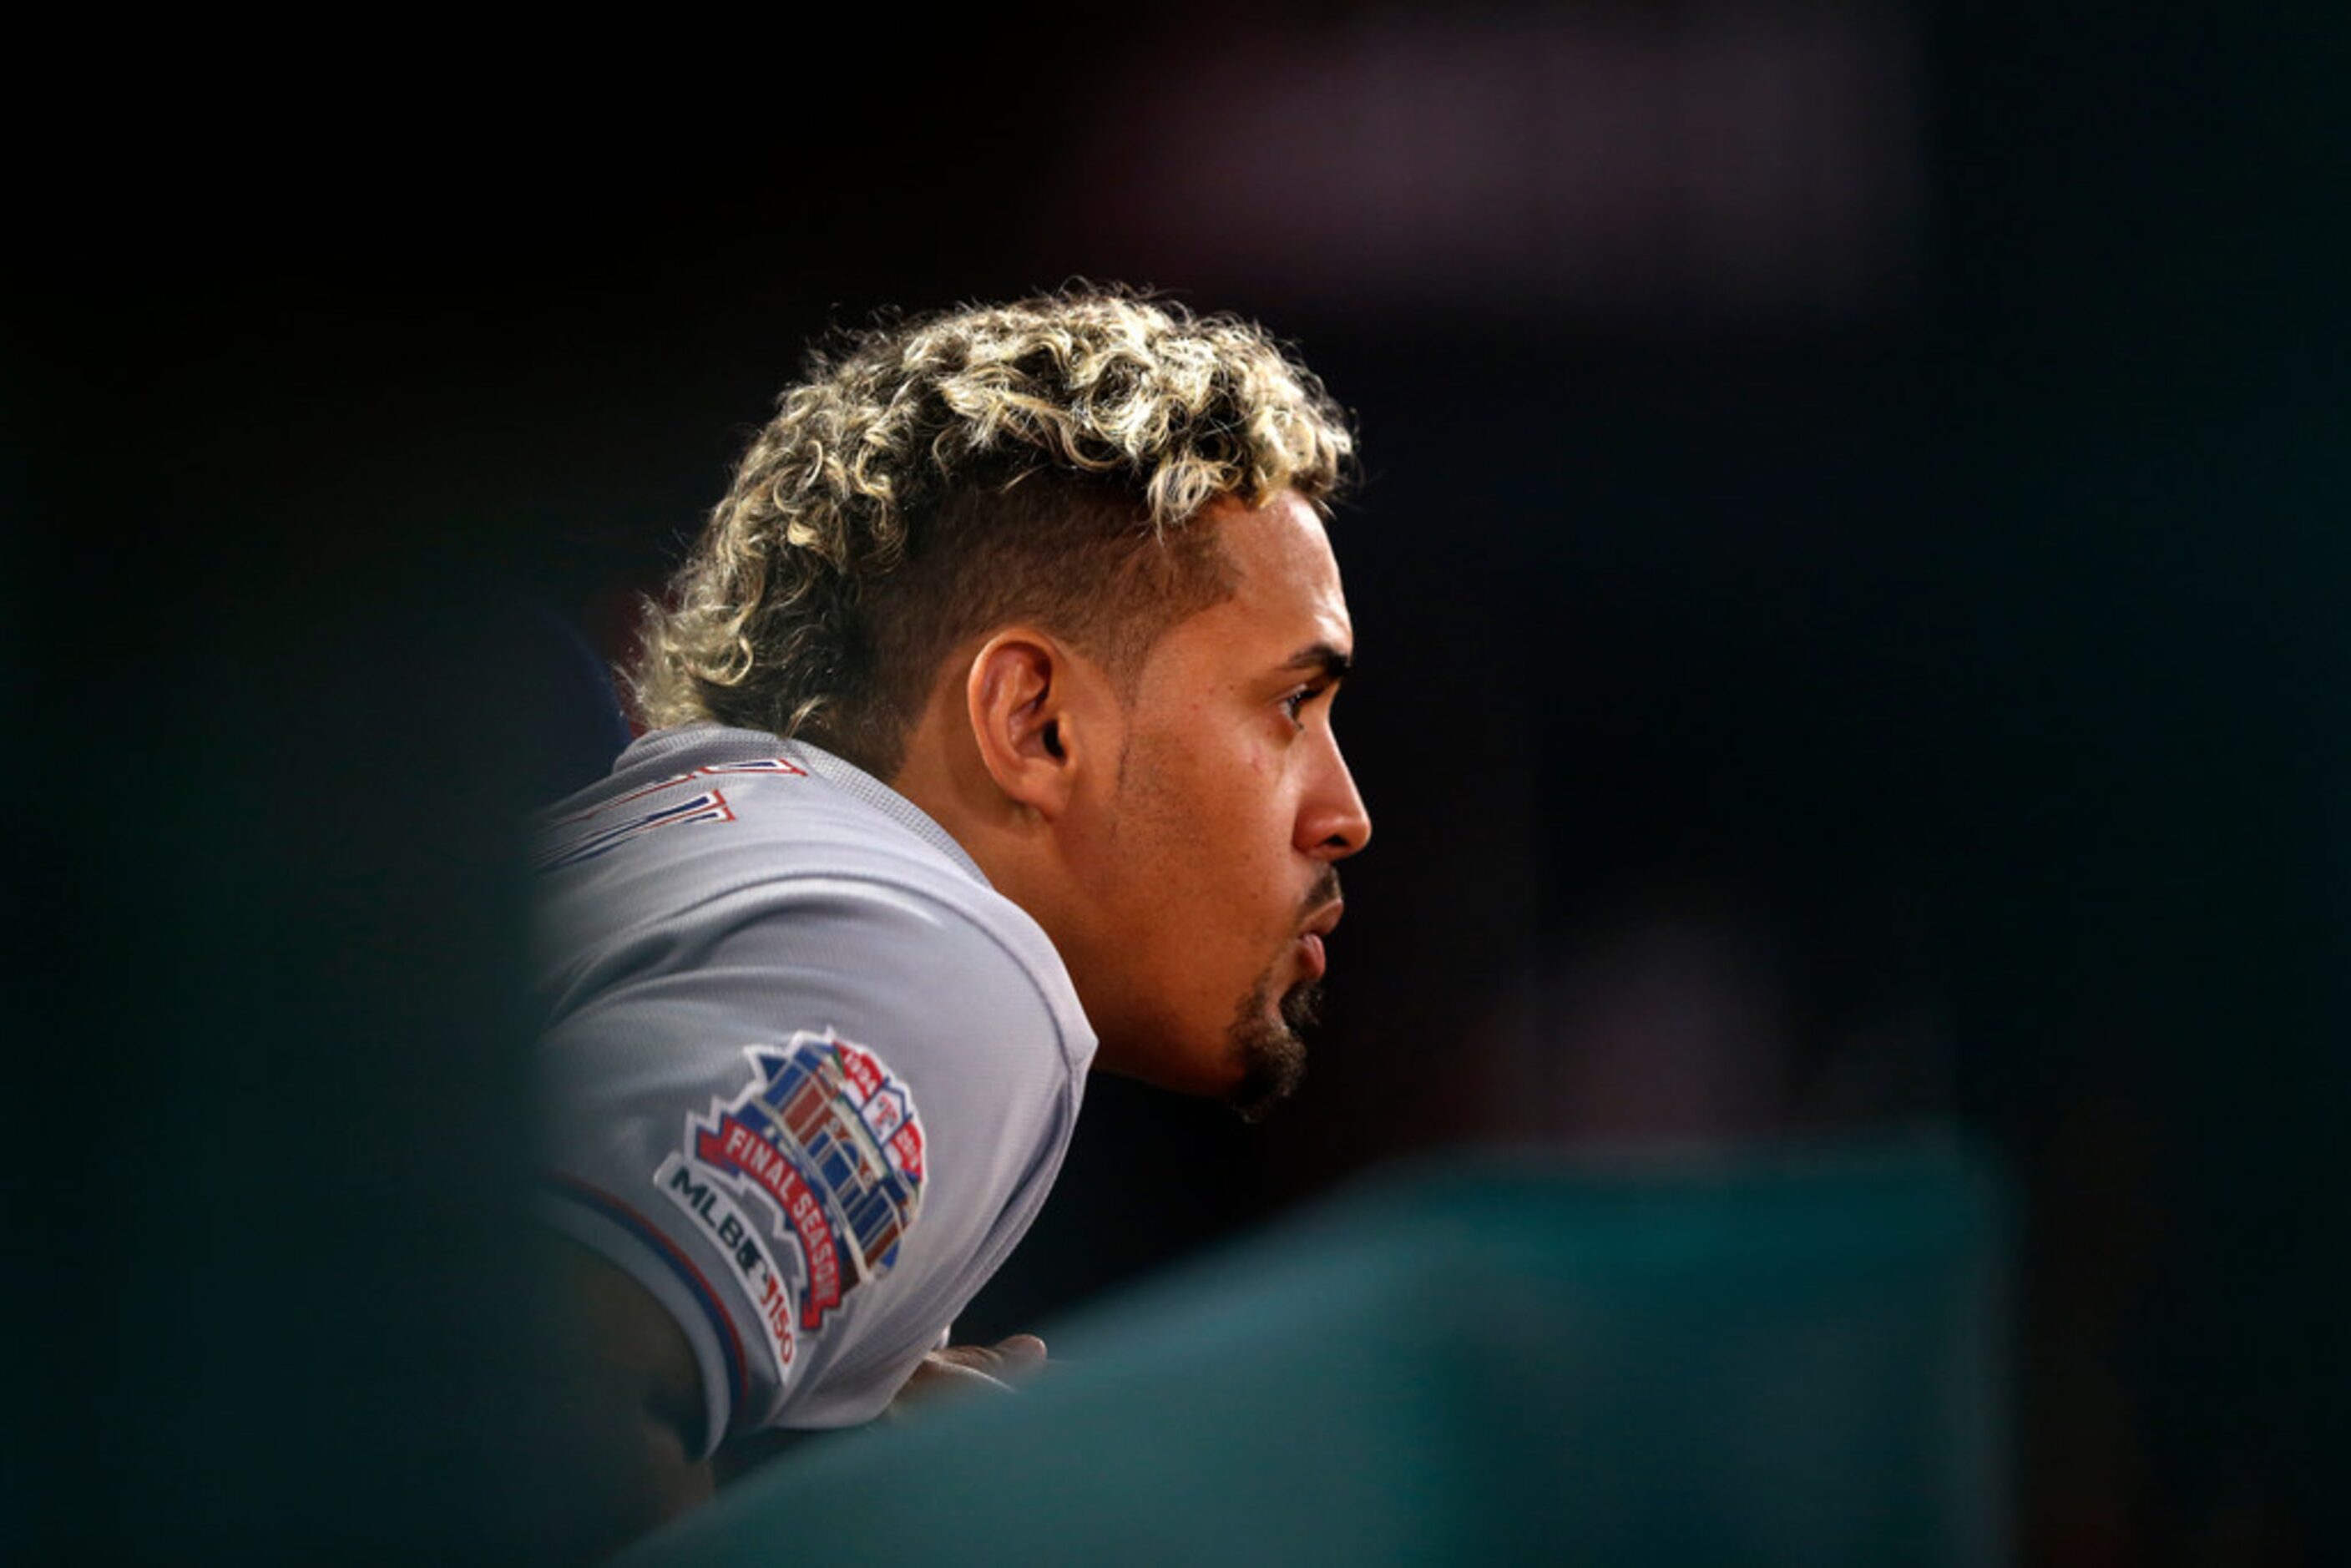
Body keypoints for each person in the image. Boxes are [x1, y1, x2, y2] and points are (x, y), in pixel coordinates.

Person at [528, 288, 1373, 1555]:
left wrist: (790, 1471)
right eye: (1290, 705)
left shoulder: (710, 835)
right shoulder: (938, 956)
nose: (1344, 810)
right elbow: (546, 1408)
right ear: (1037, 722)